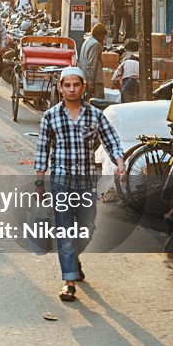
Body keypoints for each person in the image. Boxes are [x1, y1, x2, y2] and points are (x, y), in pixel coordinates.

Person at [34, 67, 126, 302]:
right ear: (60, 87)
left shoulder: (95, 116)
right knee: (64, 230)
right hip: (61, 180)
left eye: (76, 85)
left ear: (84, 87)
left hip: (86, 181)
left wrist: (120, 162)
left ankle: (73, 258)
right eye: (67, 85)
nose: (72, 89)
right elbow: (42, 149)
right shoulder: (51, 116)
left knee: (87, 228)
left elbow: (111, 140)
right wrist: (39, 181)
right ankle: (69, 281)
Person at [79, 23, 107, 101]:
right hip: (95, 81)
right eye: (103, 36)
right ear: (99, 34)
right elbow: (92, 64)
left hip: (86, 77)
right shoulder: (95, 44)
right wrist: (91, 82)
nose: (103, 38)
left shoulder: (87, 41)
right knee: (97, 103)